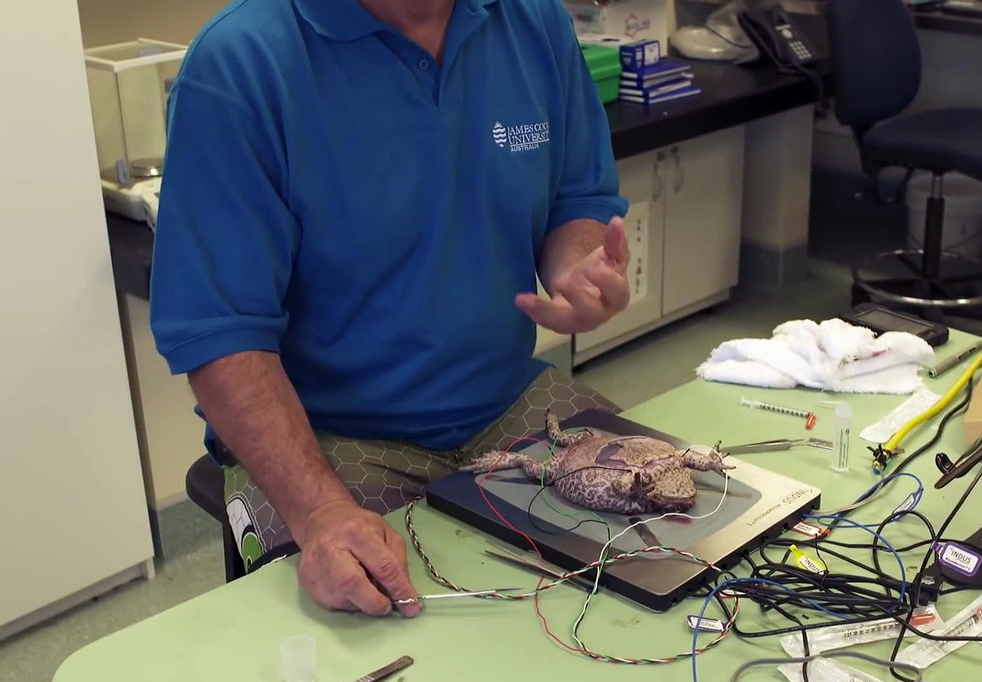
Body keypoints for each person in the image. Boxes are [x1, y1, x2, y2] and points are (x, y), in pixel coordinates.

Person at [149, 0, 631, 619]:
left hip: (506, 401)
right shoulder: (242, 63)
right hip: (330, 437)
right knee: (377, 636)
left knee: (664, 539)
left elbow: (576, 196)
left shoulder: (531, 20)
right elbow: (219, 336)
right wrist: (321, 512)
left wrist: (577, 270)